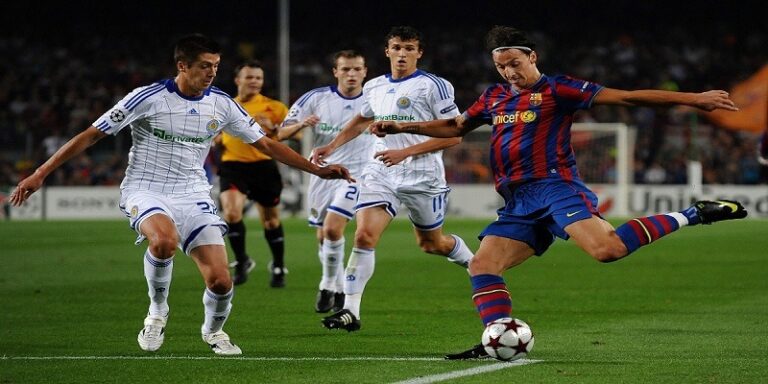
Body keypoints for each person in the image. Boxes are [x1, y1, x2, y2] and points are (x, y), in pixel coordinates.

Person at [369, 25, 747, 359]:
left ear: (532, 56)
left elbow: (627, 98)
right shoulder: (494, 96)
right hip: (517, 200)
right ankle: (496, 338)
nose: (509, 71)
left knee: (608, 250)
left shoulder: (559, 88)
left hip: (555, 187)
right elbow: (454, 127)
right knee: (483, 264)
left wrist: (694, 99)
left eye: (515, 62)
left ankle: (695, 213)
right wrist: (403, 128)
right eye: (502, 66)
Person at [9, 34, 352, 356]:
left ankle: (213, 331)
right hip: (146, 188)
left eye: (216, 66)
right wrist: (40, 173)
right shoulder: (147, 97)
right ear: (183, 66)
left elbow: (266, 144)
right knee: (163, 241)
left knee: (220, 281)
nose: (212, 72)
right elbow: (90, 135)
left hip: (193, 193)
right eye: (205, 65)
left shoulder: (221, 104)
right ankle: (156, 315)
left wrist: (317, 170)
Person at [311, 26, 475, 331]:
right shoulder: (373, 86)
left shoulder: (434, 86)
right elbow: (361, 119)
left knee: (431, 244)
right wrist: (331, 147)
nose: (402, 54)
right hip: (380, 171)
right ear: (387, 51)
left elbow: (455, 134)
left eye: (409, 48)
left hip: (422, 176)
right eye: (397, 47)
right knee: (363, 236)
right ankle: (350, 310)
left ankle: (476, 265)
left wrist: (405, 149)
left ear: (419, 53)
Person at [278, 50, 371, 313]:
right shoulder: (316, 98)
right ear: (336, 72)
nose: (351, 74)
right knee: (323, 236)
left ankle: (327, 283)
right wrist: (300, 126)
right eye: (345, 69)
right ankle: (339, 287)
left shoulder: (375, 99)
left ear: (364, 72)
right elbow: (280, 133)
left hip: (357, 175)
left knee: (332, 229)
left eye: (356, 69)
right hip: (322, 174)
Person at [214, 60, 290, 287]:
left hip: (263, 167)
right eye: (250, 77)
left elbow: (292, 134)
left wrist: (275, 129)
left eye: (259, 77)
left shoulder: (274, 107)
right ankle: (242, 260)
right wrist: (218, 140)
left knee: (270, 221)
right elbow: (215, 134)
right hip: (233, 166)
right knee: (232, 213)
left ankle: (278, 265)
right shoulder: (225, 105)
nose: (255, 81)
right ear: (238, 80)